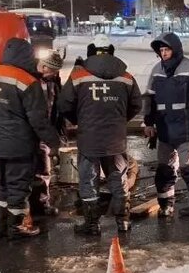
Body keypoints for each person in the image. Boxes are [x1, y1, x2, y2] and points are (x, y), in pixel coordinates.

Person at [0, 38, 61, 240]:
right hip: (19, 144)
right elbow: (38, 120)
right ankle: (18, 227)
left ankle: (1, 226)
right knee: (18, 186)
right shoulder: (27, 82)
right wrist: (53, 142)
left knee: (2, 185)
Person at [58, 34, 142, 235]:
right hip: (115, 140)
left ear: (91, 50)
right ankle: (123, 222)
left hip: (89, 138)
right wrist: (120, 119)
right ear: (111, 51)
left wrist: (80, 120)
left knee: (88, 180)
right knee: (118, 178)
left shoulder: (79, 76)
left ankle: (92, 225)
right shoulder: (126, 77)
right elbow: (137, 104)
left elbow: (64, 104)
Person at [142, 32, 189, 218]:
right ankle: (166, 205)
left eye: (167, 49)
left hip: (187, 130)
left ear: (176, 49)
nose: (164, 53)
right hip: (165, 131)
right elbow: (149, 98)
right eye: (161, 50)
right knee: (164, 171)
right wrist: (148, 122)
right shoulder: (157, 70)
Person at [32, 49, 65, 218]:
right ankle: (35, 206)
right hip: (34, 133)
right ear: (44, 67)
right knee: (37, 170)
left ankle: (40, 204)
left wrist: (58, 131)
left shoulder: (51, 81)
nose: (55, 74)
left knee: (43, 170)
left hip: (44, 131)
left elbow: (56, 108)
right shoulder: (32, 82)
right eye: (53, 70)